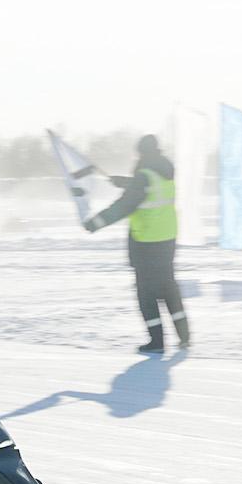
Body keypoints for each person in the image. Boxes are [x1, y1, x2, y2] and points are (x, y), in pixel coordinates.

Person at [83, 134, 189, 354]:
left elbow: (125, 205)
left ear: (141, 153)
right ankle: (184, 336)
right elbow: (147, 188)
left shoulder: (143, 176)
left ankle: (157, 342)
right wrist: (126, 182)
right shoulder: (165, 172)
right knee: (169, 288)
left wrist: (96, 222)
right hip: (167, 238)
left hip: (147, 242)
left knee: (147, 293)